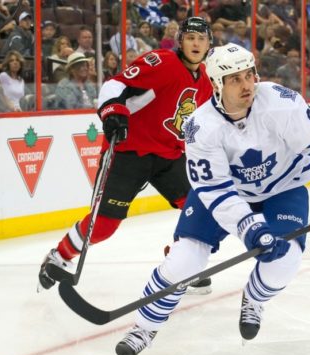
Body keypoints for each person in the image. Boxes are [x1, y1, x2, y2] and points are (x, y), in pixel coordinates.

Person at [113, 42, 310, 355]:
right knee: (185, 259)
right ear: (217, 84)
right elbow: (216, 190)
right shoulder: (200, 126)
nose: (247, 84)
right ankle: (144, 328)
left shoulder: (279, 101)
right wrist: (249, 227)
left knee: (285, 260)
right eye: (235, 79)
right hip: (223, 195)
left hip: (283, 187)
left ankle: (254, 299)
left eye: (249, 75)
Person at [38, 17, 215, 294]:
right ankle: (59, 255)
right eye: (190, 37)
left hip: (169, 155)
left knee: (198, 208)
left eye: (201, 38)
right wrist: (113, 113)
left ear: (208, 45)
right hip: (130, 150)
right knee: (105, 226)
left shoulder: (206, 80)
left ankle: (180, 264)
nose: (195, 43)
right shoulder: (162, 61)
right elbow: (115, 85)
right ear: (180, 40)